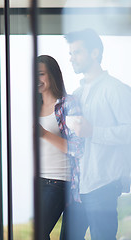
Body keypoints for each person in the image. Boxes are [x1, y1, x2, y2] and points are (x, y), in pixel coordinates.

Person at [63, 28, 131, 239]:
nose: (72, 58)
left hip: (103, 187)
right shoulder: (77, 94)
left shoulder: (116, 90)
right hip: (77, 189)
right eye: (71, 53)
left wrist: (93, 132)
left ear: (95, 53)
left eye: (77, 52)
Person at [37, 55, 83, 240]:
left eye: (40, 74)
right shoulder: (34, 106)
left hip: (59, 181)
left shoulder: (67, 104)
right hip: (39, 179)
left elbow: (78, 148)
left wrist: (45, 134)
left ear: (53, 75)